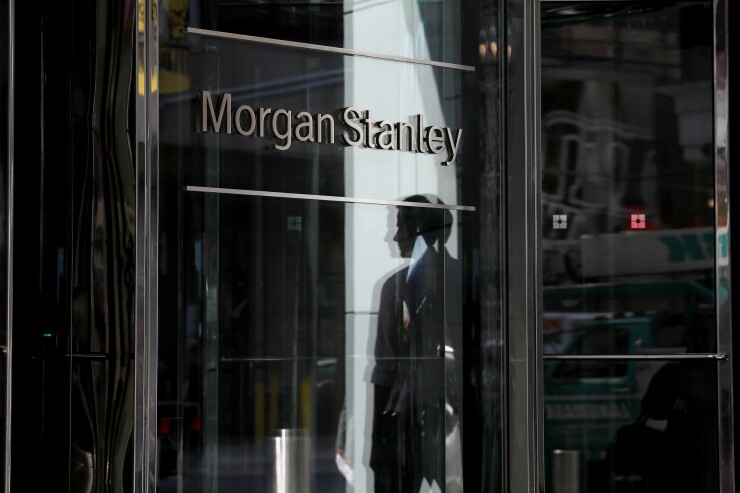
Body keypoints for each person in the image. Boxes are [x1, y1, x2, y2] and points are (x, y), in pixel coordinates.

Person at [369, 194, 459, 493]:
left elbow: (385, 368)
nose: (393, 236)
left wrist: (377, 438)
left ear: (419, 229)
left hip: (408, 421)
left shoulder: (396, 288)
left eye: (399, 226)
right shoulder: (463, 278)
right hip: (451, 419)